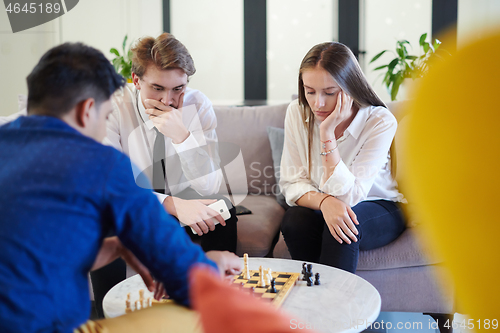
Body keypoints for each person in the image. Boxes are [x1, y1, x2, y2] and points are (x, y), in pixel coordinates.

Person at [0, 42, 241, 333]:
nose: (167, 99)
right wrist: (214, 264)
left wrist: (112, 247)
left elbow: (38, 250)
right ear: (87, 110)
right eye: (103, 117)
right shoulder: (100, 164)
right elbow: (180, 270)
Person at [279, 42, 407, 273]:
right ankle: (310, 297)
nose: (318, 103)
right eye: (310, 91)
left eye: (329, 93)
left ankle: (335, 306)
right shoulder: (296, 113)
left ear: (350, 88)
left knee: (342, 223)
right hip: (324, 202)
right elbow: (291, 183)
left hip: (378, 204)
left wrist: (327, 134)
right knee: (295, 220)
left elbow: (350, 195)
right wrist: (324, 202)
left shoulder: (380, 121)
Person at [105, 33, 237, 253]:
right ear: (136, 80)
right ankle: (115, 290)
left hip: (181, 198)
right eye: (157, 88)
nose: (168, 101)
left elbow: (209, 186)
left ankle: (217, 286)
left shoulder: (198, 105)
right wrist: (172, 204)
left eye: (178, 89)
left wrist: (182, 137)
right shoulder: (112, 106)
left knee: (222, 211)